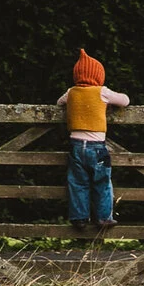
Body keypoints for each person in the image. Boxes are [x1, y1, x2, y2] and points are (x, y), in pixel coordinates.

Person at [59, 49, 129, 233]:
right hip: (97, 147)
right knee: (102, 182)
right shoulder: (102, 92)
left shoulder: (71, 92)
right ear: (98, 75)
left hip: (75, 146)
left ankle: (79, 218)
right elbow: (125, 100)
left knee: (77, 183)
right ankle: (104, 218)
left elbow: (59, 102)